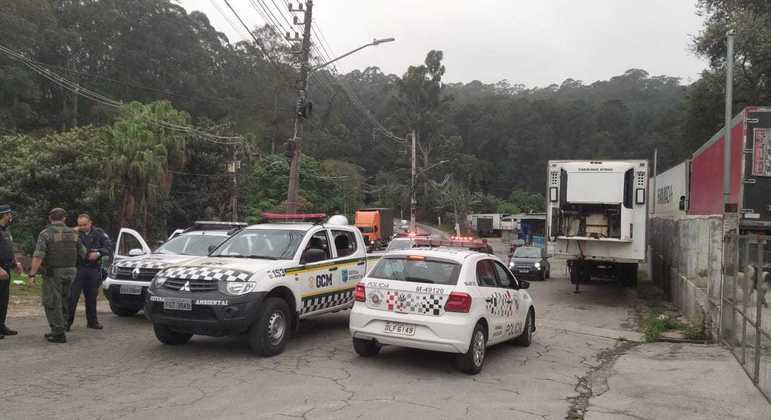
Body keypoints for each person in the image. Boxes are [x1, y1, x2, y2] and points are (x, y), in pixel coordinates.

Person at [28, 208, 85, 343]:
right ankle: (61, 327)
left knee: (52, 301)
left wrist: (32, 274)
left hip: (54, 273)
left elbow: (38, 255)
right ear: (64, 218)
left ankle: (58, 333)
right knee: (65, 299)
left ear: (50, 218)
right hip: (71, 272)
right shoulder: (73, 233)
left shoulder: (46, 234)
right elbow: (83, 252)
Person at [68, 214, 112, 330]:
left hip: (93, 268)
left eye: (84, 224)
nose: (82, 227)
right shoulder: (74, 233)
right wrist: (72, 232)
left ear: (90, 223)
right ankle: (66, 323)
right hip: (78, 268)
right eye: (80, 225)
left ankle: (92, 322)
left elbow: (108, 247)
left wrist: (98, 253)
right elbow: (63, 243)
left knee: (92, 297)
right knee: (72, 297)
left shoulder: (99, 233)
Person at [0, 204, 24, 339]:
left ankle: (1, 326)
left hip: (6, 268)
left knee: (3, 299)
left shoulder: (6, 231)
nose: (11, 216)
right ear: (4, 215)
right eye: (9, 214)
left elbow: (9, 249)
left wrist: (17, 263)